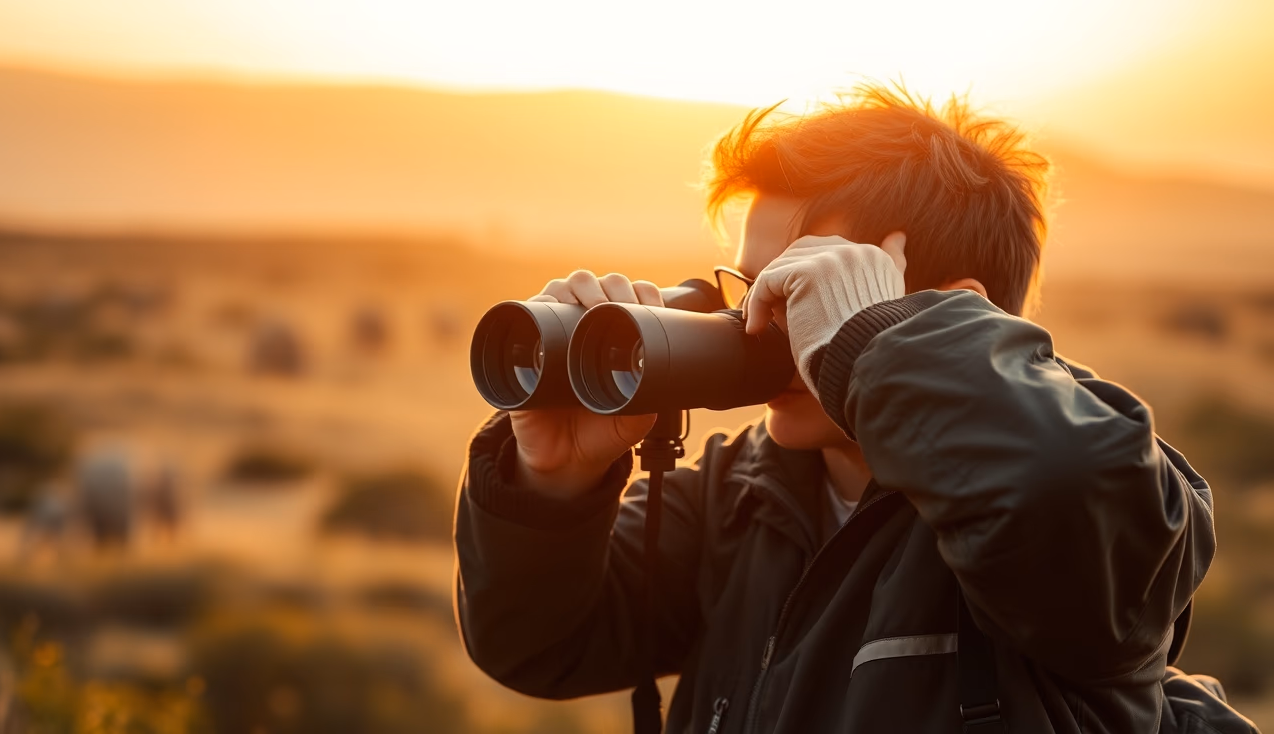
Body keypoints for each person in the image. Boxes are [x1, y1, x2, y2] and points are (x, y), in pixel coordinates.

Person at [453, 84, 1215, 732]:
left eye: (809, 287)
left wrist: (869, 347)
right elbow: (539, 644)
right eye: (750, 288)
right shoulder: (738, 498)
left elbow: (1068, 493)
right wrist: (550, 478)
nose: (759, 326)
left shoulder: (1085, 486)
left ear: (953, 315)